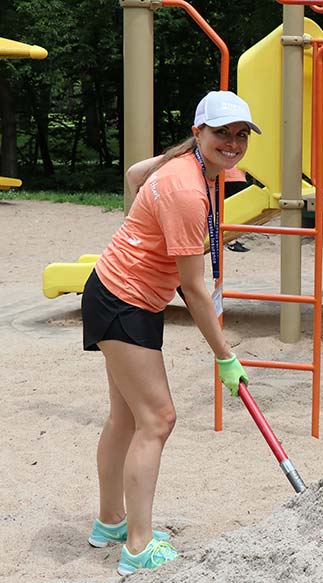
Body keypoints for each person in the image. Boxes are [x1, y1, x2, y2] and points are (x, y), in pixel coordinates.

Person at [83, 90, 257, 575]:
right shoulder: (186, 189)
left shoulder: (185, 168)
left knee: (127, 418)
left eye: (241, 134)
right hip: (124, 301)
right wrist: (224, 355)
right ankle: (137, 546)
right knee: (157, 419)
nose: (234, 143)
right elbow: (194, 289)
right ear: (198, 132)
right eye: (222, 132)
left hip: (116, 292)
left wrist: (178, 153)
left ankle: (111, 522)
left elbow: (134, 176)